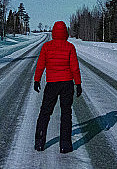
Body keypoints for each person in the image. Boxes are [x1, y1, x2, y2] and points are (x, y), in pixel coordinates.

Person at [33, 20, 82, 153]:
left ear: (54, 32)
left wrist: (37, 80)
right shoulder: (70, 47)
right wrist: (78, 84)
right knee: (66, 113)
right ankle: (65, 145)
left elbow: (40, 65)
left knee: (45, 112)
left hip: (52, 84)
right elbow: (75, 68)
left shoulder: (46, 47)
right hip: (67, 84)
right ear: (65, 32)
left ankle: (39, 142)